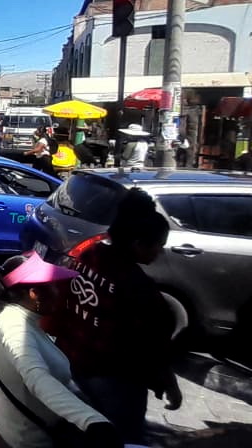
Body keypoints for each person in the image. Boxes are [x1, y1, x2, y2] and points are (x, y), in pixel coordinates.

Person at [52, 189, 181, 444]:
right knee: (119, 438)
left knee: (74, 431)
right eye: (158, 246)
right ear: (138, 244)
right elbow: (152, 347)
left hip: (69, 362)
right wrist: (169, 384)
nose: (159, 253)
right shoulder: (137, 286)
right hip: (114, 381)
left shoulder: (89, 256)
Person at [0, 252, 121, 448]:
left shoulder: (8, 314)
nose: (58, 291)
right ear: (34, 293)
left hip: (5, 417)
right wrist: (91, 420)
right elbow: (38, 379)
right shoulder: (15, 329)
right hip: (24, 438)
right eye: (52, 286)